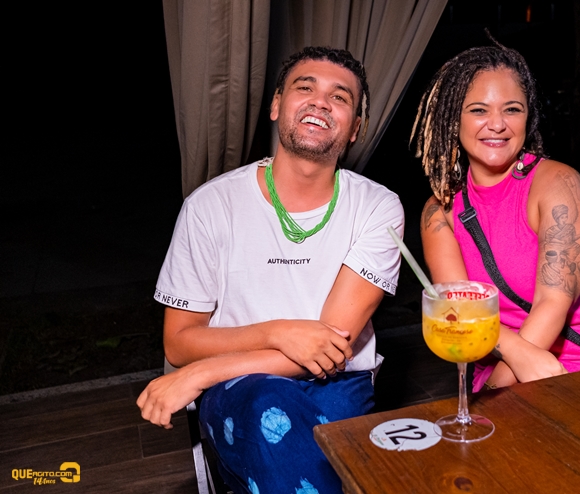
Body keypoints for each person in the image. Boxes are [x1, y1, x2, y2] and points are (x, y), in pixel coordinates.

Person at [137, 46, 404, 494]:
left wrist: (199, 374)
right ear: (277, 105)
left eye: (340, 97)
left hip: (337, 383)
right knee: (267, 407)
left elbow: (331, 349)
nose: (321, 102)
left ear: (356, 128)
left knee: (283, 448)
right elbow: (179, 341)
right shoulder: (209, 206)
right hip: (238, 385)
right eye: (305, 88)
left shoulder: (377, 207)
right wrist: (278, 332)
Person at [412, 39, 580, 392]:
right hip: (504, 369)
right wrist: (506, 369)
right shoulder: (438, 211)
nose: (497, 124)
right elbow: (461, 314)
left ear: (528, 117)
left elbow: (551, 304)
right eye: (479, 110)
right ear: (453, 119)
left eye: (512, 109)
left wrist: (495, 398)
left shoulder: (558, 183)